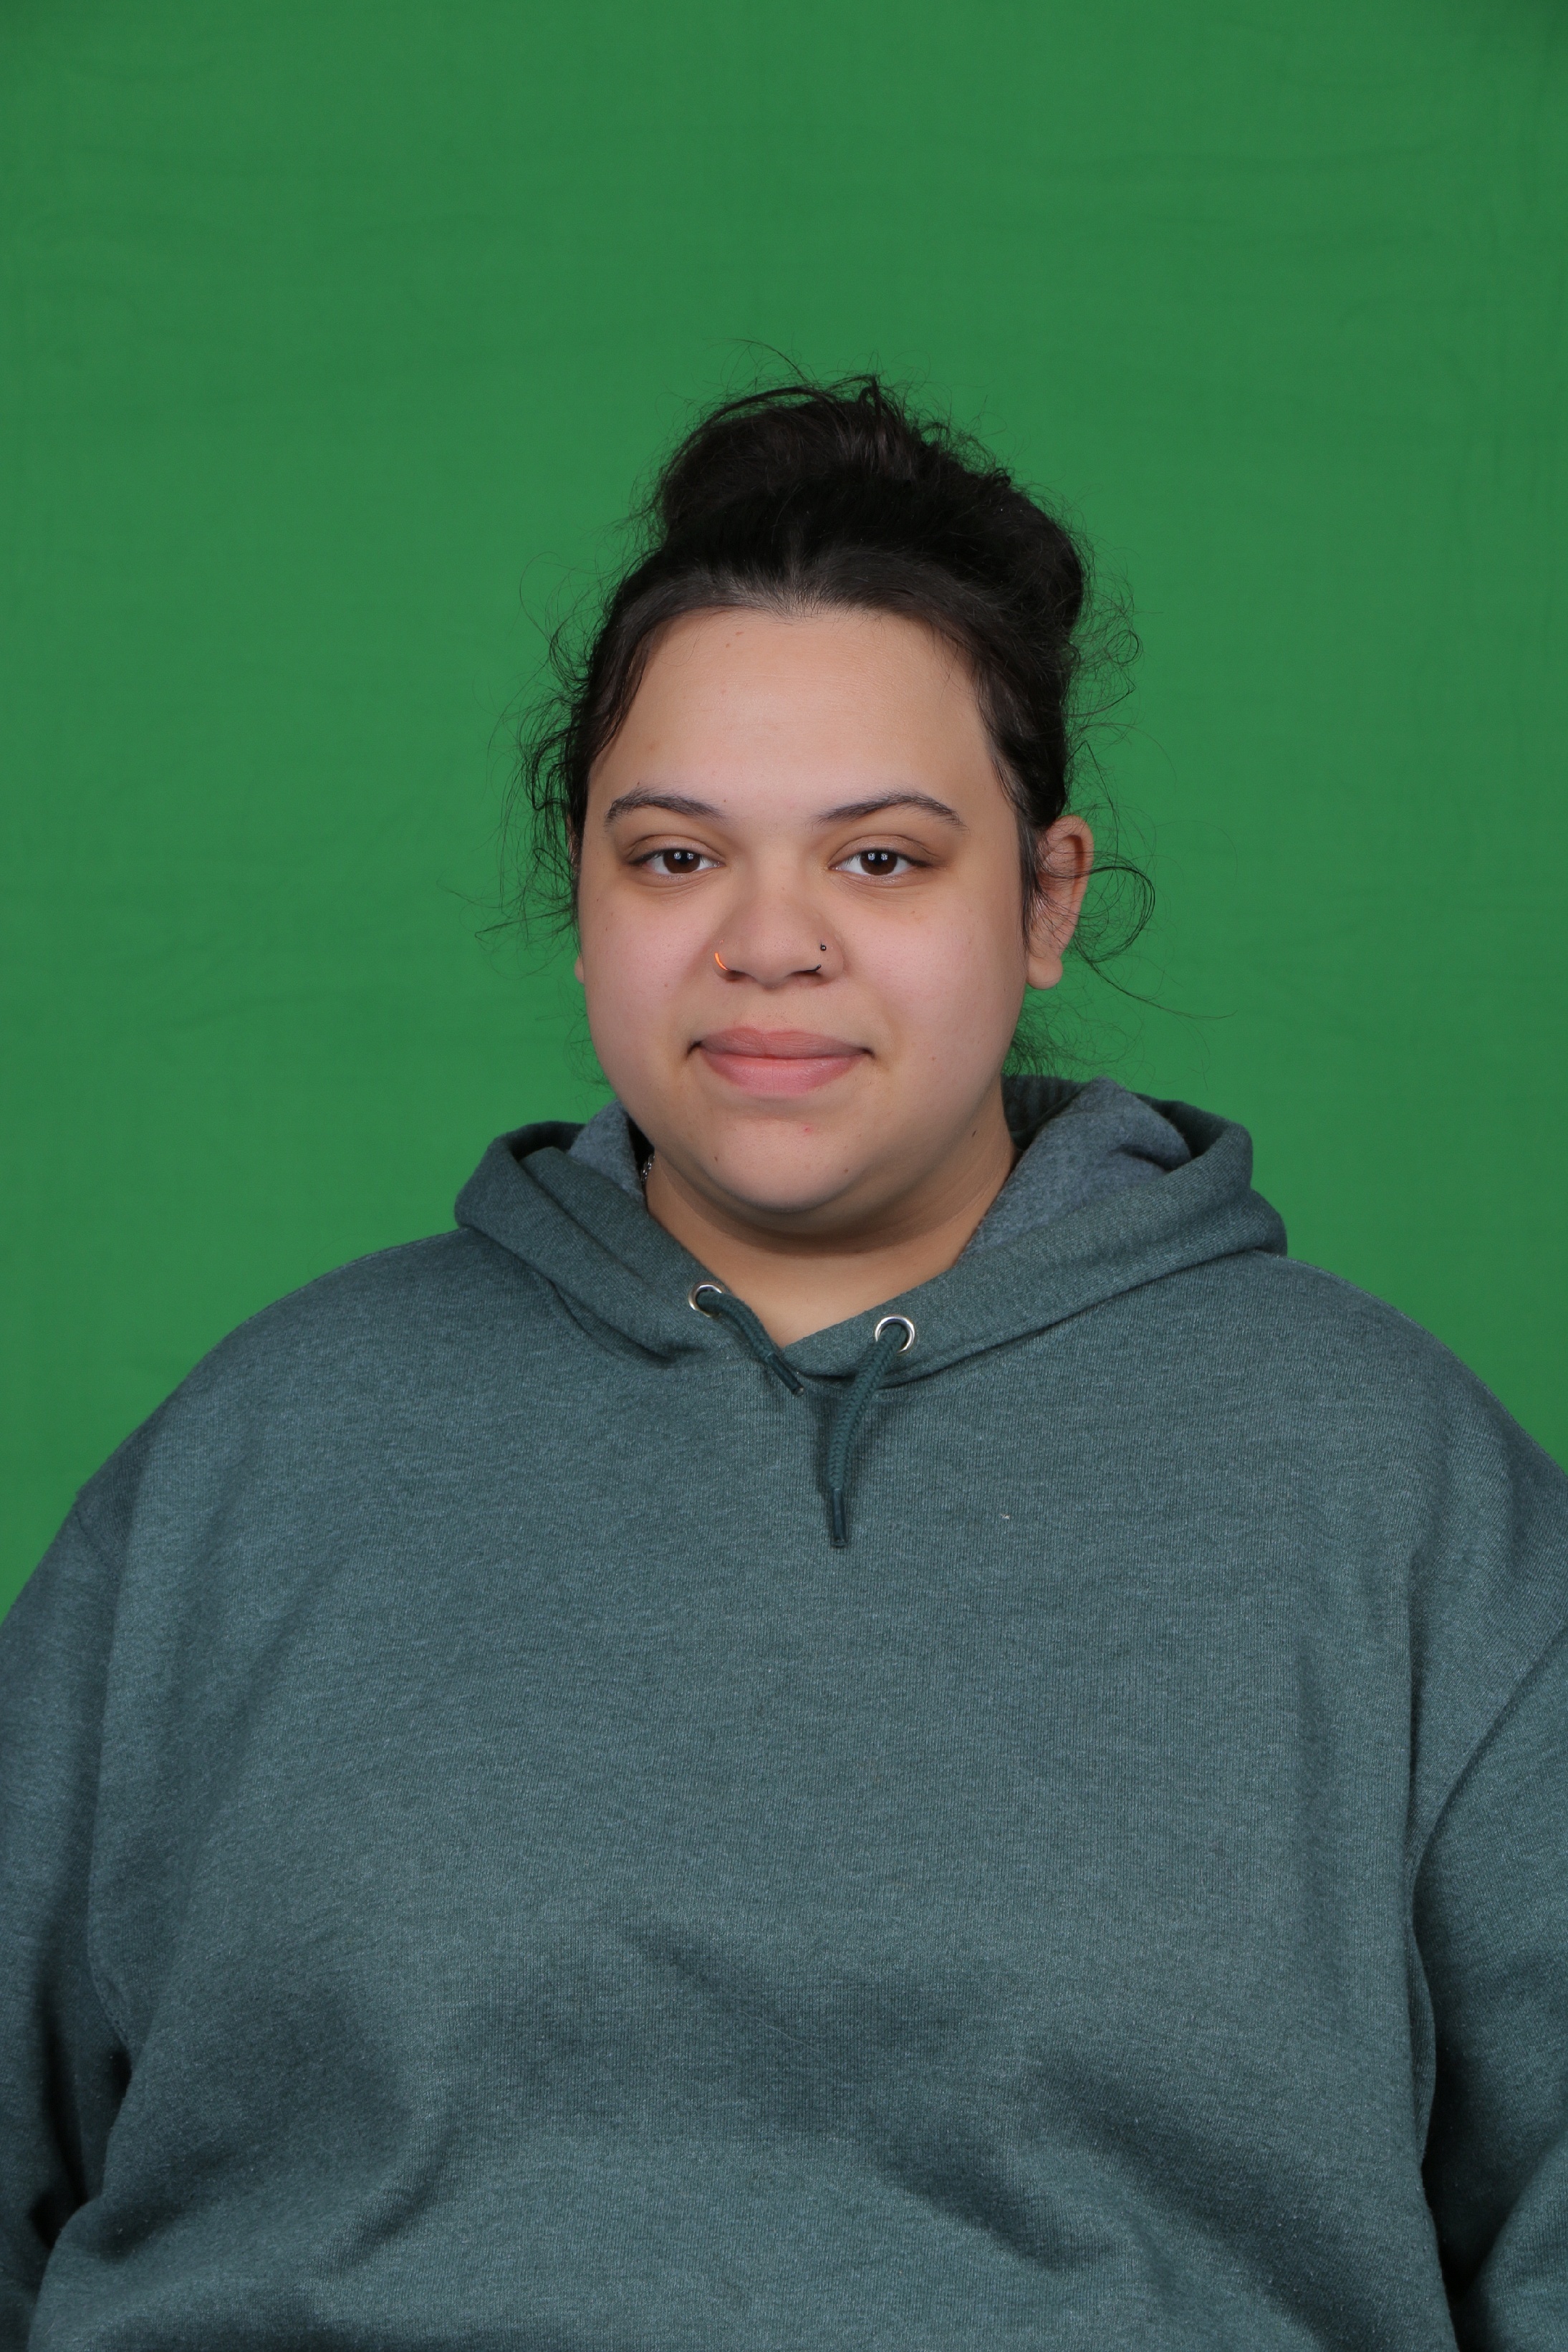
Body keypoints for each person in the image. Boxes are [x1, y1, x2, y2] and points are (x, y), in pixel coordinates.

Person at [1, 377, 1564, 2352]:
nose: (770, 941)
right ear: (583, 902)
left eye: (881, 860)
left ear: (1048, 900)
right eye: (676, 857)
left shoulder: (1391, 1485)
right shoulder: (263, 1452)